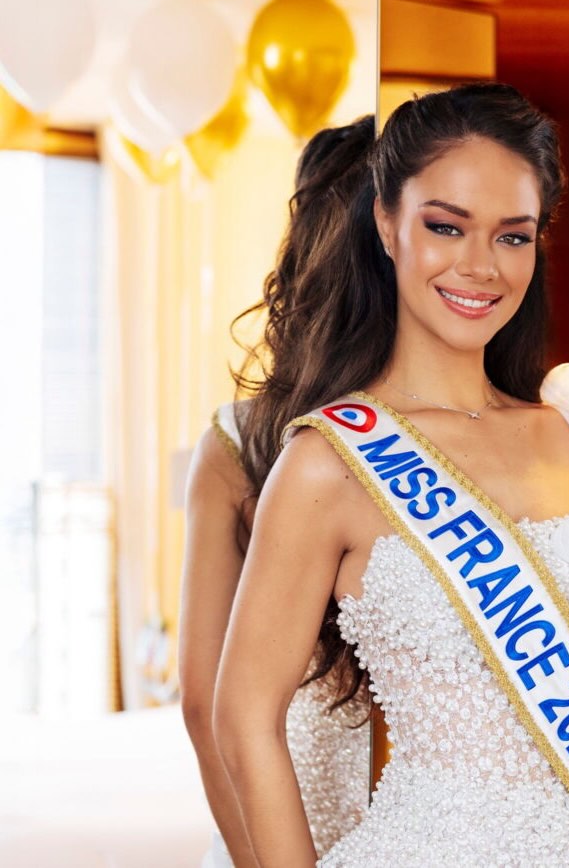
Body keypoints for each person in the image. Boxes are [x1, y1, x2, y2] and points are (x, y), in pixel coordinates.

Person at [213, 84, 569, 866]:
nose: (480, 267)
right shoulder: (329, 461)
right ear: (387, 224)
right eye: (445, 227)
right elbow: (242, 718)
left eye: (513, 237)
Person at [179, 116, 376, 868]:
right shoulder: (241, 441)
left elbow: (203, 700)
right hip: (296, 801)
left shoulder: (238, 437)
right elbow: (206, 705)